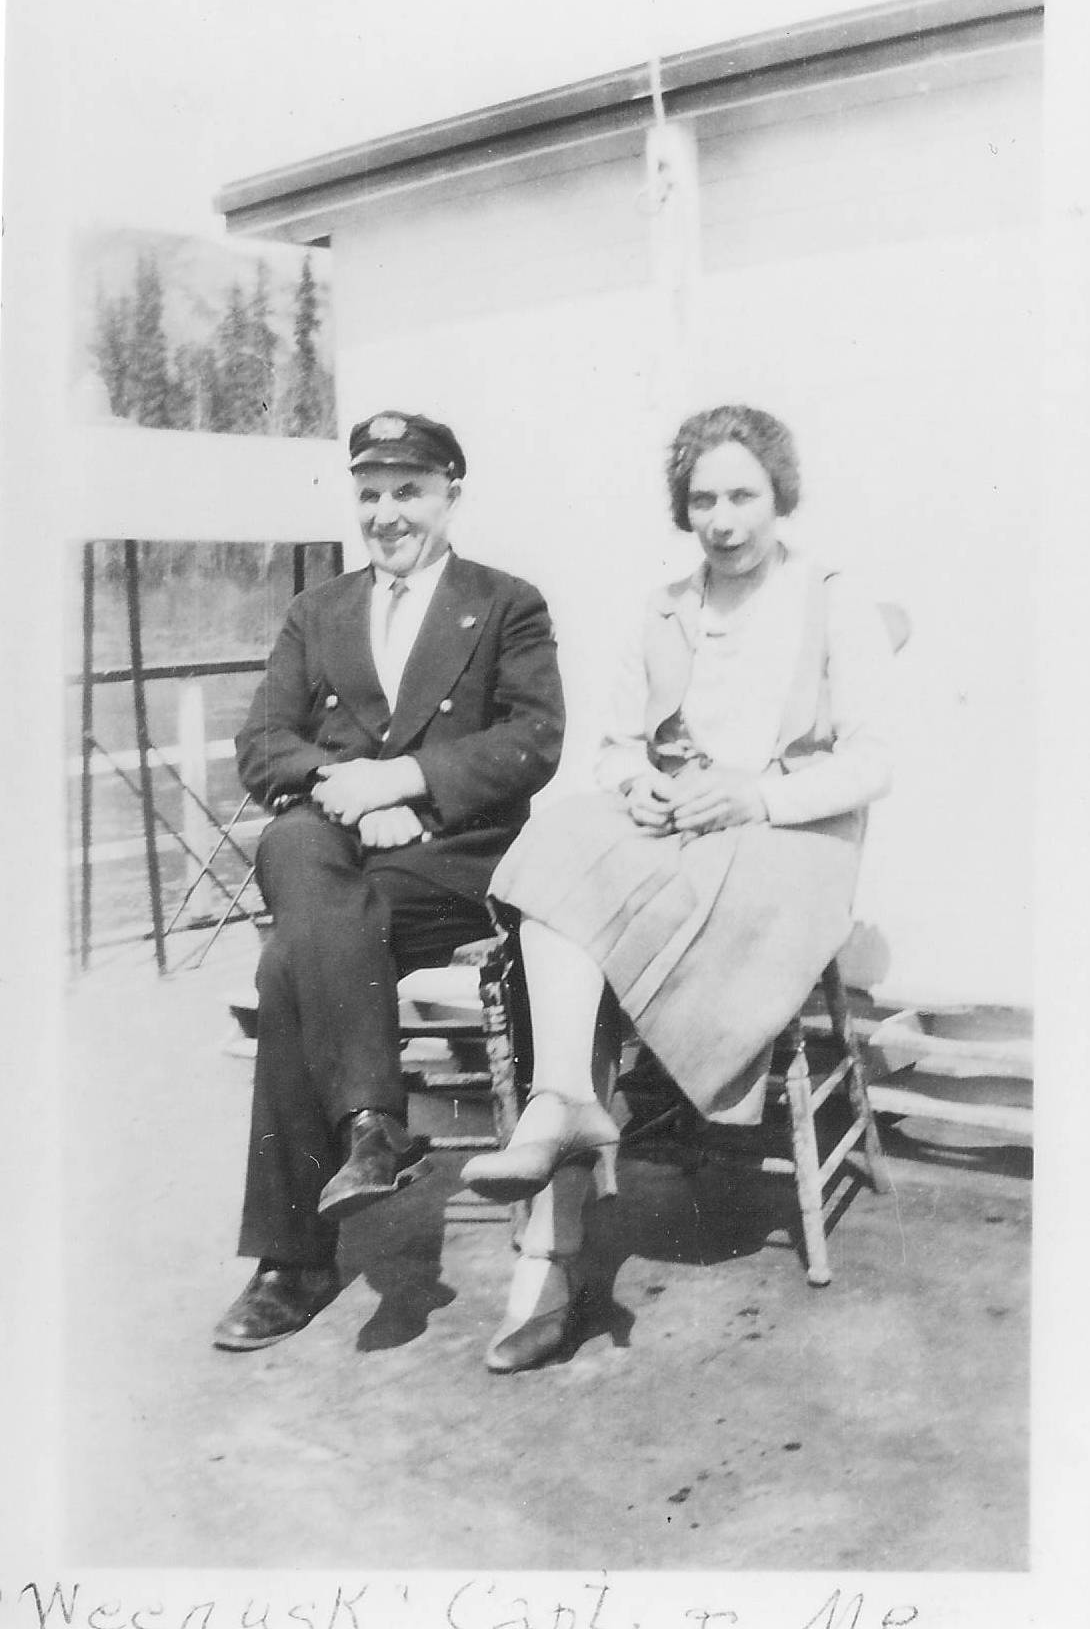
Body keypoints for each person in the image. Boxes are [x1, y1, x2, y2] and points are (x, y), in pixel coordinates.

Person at [461, 404, 895, 1372]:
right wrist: (640, 786)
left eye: (742, 495)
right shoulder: (664, 607)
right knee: (565, 837)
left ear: (779, 494)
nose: (724, 519)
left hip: (790, 844)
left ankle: (548, 1254)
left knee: (592, 930)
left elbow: (870, 763)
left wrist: (754, 796)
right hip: (680, 835)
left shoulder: (831, 599)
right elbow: (615, 747)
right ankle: (565, 1099)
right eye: (703, 499)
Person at [213, 411, 565, 1351]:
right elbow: (261, 745)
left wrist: (408, 781)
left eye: (407, 491)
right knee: (291, 847)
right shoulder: (318, 612)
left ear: (451, 493)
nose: (386, 513)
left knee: (289, 965)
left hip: (448, 863)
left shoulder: (504, 604)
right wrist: (348, 789)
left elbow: (535, 742)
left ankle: (293, 1262)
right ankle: (372, 1124)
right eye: (369, 493)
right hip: (340, 843)